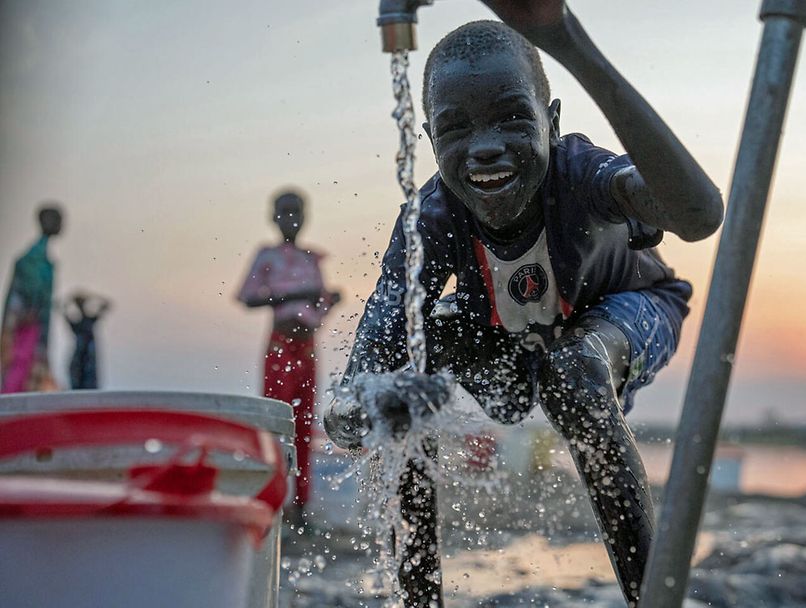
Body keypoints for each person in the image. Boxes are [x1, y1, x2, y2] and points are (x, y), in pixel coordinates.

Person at [325, 2, 723, 606]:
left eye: (513, 118)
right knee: (403, 377)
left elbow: (699, 215)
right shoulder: (431, 220)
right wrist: (378, 407)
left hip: (628, 315)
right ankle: (419, 599)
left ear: (552, 121)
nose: (485, 148)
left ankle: (653, 597)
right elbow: (354, 403)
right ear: (430, 139)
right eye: (457, 129)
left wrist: (565, 42)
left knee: (573, 371)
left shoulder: (583, 174)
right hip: (513, 348)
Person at [237, 189, 341, 522]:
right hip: (280, 343)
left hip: (307, 346)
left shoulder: (313, 259)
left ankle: (301, 507)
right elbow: (247, 298)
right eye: (285, 213)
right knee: (275, 421)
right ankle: (271, 503)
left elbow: (319, 310)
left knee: (305, 424)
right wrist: (296, 295)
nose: (291, 219)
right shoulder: (267, 257)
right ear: (273, 217)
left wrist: (329, 303)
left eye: (297, 212)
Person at [1, 204, 64, 394]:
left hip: (33, 329)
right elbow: (21, 297)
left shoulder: (43, 259)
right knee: (20, 373)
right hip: (27, 330)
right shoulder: (33, 260)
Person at [63, 291, 111, 390]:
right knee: (77, 387)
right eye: (79, 304)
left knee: (89, 386)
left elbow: (107, 305)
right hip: (79, 361)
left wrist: (92, 297)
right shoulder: (77, 324)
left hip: (88, 361)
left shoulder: (90, 320)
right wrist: (71, 299)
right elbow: (62, 310)